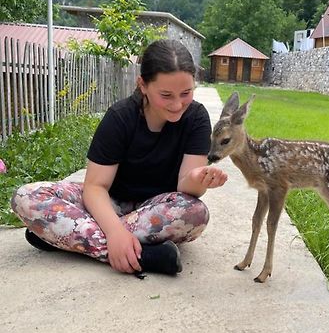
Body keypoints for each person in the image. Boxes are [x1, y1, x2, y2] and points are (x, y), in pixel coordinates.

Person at [11, 39, 228, 277]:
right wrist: (114, 233)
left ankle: (66, 237)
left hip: (157, 208)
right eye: (166, 95)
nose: (177, 104)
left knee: (196, 213)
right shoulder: (120, 117)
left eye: (186, 93)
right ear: (143, 85)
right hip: (108, 203)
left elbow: (186, 188)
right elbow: (94, 187)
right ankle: (145, 256)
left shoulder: (196, 117)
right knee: (27, 196)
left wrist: (198, 178)